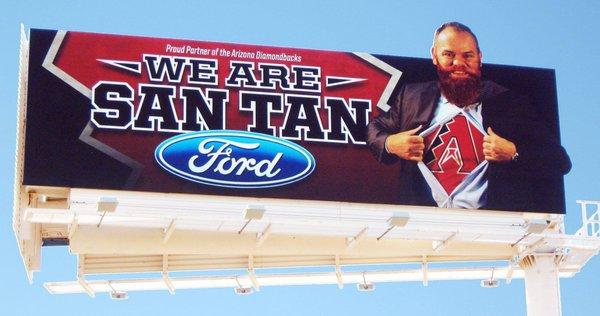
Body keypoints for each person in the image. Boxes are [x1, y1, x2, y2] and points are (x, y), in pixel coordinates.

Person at [367, 22, 571, 211]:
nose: (459, 63)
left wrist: (513, 152)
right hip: (423, 225)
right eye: (448, 54)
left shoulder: (511, 103)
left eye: (468, 55)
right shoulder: (412, 97)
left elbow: (559, 161)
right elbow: (374, 129)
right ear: (434, 55)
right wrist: (392, 143)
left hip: (491, 228)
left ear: (480, 57)